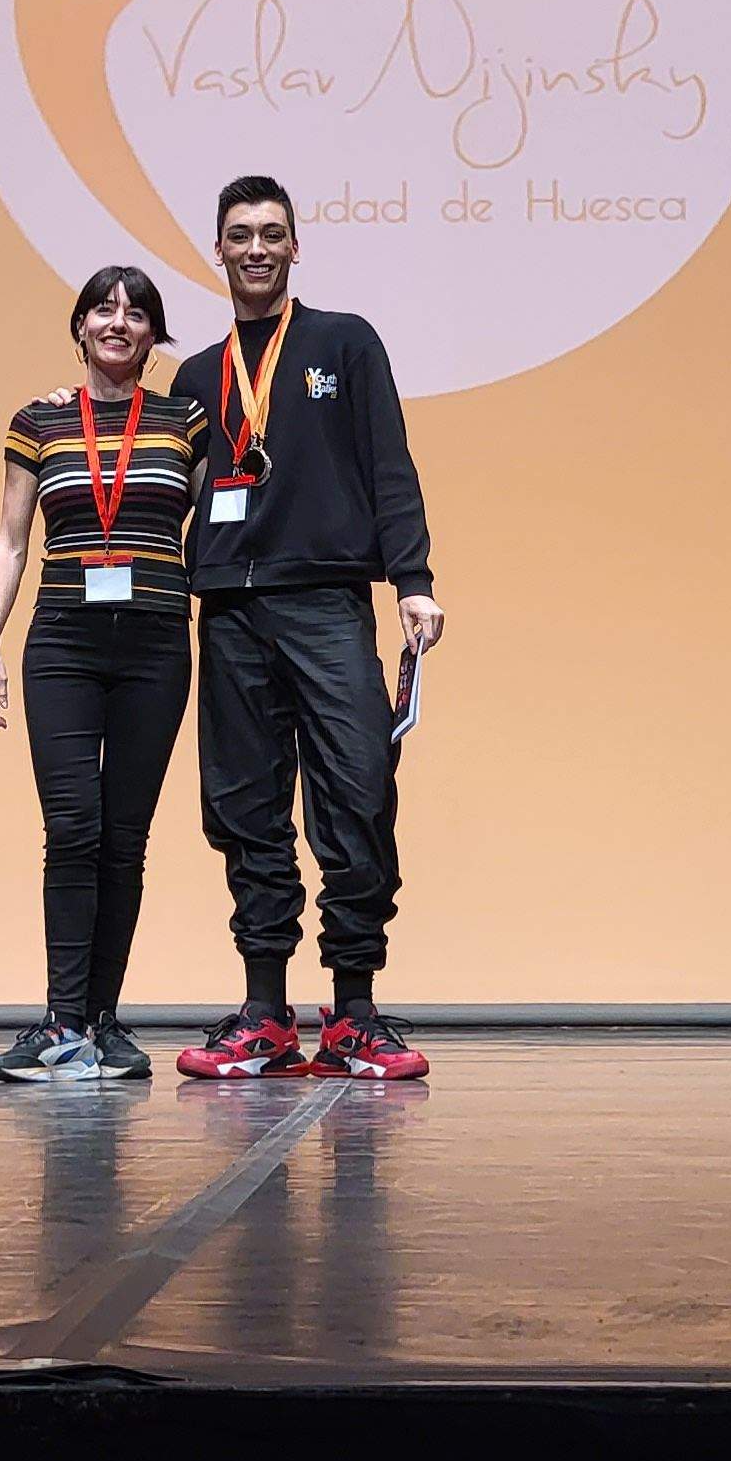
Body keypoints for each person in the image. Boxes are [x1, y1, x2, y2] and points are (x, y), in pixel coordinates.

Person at [164, 176, 444, 1082]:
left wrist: (413, 580)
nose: (255, 247)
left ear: (295, 246)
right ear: (218, 248)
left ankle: (355, 1012)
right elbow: (163, 488)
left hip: (326, 601)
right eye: (239, 234)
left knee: (358, 793)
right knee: (244, 808)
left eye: (271, 233)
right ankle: (265, 1014)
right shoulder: (198, 376)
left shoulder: (344, 343)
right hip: (233, 609)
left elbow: (388, 465)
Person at [0, 267, 211, 1083]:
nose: (119, 322)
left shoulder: (188, 422)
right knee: (73, 828)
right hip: (64, 643)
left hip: (155, 643)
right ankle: (59, 1020)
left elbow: (221, 527)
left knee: (125, 839)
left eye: (137, 312)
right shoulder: (36, 421)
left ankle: (104, 1024)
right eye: (103, 309)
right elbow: (11, 540)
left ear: (153, 337)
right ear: (79, 328)